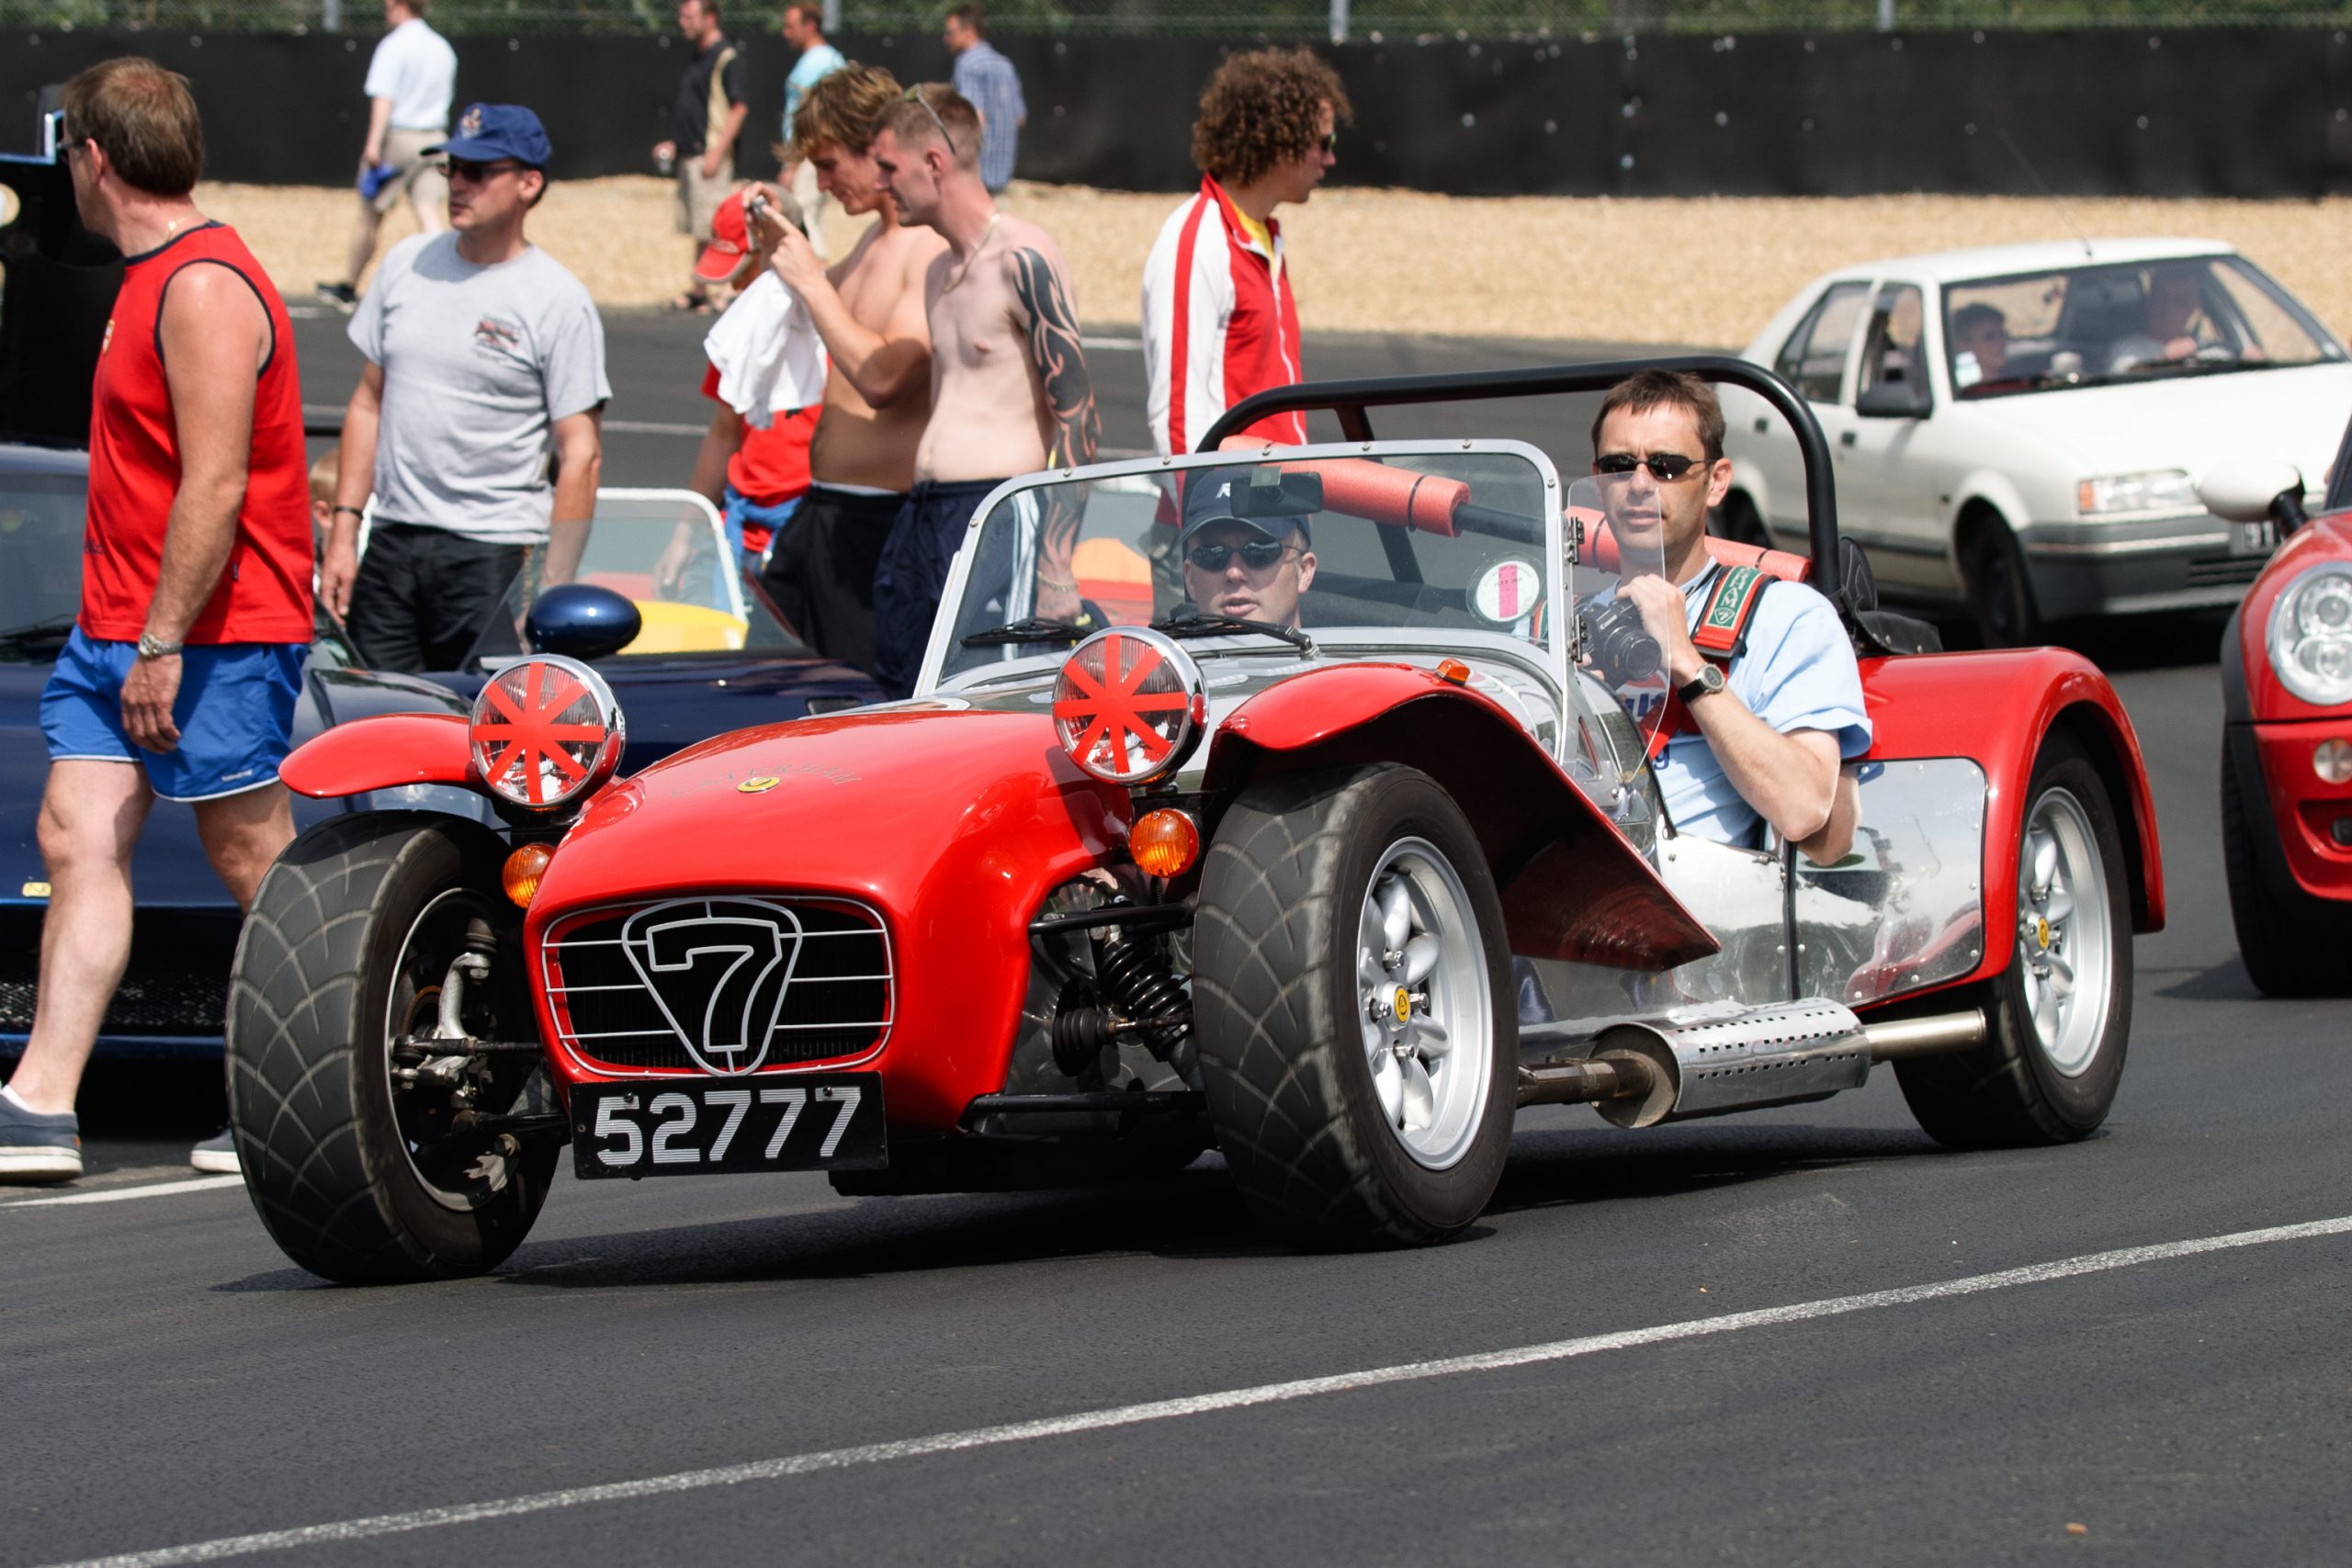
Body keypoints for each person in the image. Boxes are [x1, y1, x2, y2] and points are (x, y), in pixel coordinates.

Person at [1, 59, 313, 1183]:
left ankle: (303, 1096)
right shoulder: (145, 277)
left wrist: (161, 641)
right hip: (119, 630)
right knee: (75, 835)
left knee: (251, 855)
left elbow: (217, 486)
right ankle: (38, 1103)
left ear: (91, 158)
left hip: (210, 633)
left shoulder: (204, 285)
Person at [321, 103, 610, 674]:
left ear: (529, 184)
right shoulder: (405, 265)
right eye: (451, 169)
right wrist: (344, 532)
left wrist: (551, 587)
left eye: (477, 172)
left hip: (494, 556)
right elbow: (367, 403)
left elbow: (581, 453)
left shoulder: (557, 299)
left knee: (483, 723)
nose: (458, 184)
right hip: (392, 544)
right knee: (377, 716)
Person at [866, 84, 1091, 696]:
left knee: (988, 693)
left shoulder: (1023, 259)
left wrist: (1056, 564)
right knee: (905, 688)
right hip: (924, 511)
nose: (880, 183)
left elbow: (1078, 416)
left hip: (997, 512)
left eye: (889, 167)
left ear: (933, 161)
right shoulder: (939, 270)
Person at [1591, 369, 1868, 863]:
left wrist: (1689, 666)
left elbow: (1805, 810)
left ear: (1716, 482)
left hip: (1699, 899)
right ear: (1597, 481)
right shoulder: (1564, 626)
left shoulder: (1787, 617)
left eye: (1667, 466)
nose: (1639, 484)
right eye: (1619, 465)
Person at [747, 63, 946, 675]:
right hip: (824, 514)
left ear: (874, 148)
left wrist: (811, 277)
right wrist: (782, 234)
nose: (823, 182)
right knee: (768, 686)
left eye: (830, 165)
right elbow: (811, 306)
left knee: (861, 703)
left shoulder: (926, 248)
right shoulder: (871, 243)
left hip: (880, 524)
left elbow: (886, 377)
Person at [1143, 47, 1350, 459]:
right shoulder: (1199, 239)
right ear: (1281, 140)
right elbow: (1177, 417)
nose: (1330, 158)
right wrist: (1200, 504)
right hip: (1228, 500)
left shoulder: (1262, 237)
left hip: (1273, 494)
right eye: (1324, 142)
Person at [659, 185, 822, 587]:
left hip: (807, 530)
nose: (733, 288)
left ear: (775, 250)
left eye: (742, 271)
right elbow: (723, 432)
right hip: (741, 525)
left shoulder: (834, 322)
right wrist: (683, 535)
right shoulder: (740, 333)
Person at [318, 0, 457, 309]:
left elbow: (384, 99)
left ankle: (349, 286)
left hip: (401, 137)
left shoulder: (393, 46)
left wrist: (373, 145)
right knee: (428, 211)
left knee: (371, 214)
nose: (385, 9)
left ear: (401, 6)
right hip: (435, 138)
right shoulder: (442, 47)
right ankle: (447, 284)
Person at [651, 0, 749, 313]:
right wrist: (675, 144)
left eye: (689, 16)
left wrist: (716, 152)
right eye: (681, 15)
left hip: (709, 157)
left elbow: (738, 108)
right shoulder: (698, 56)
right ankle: (699, 289)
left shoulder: (725, 57)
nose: (683, 21)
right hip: (690, 154)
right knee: (701, 228)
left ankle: (725, 289)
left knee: (717, 226)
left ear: (710, 17)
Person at [1176, 468, 1316, 630]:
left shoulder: (1340, 645)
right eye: (1212, 555)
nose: (1234, 573)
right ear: (1190, 578)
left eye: (1260, 553)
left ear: (1304, 571)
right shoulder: (1161, 646)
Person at [779, 3, 845, 255]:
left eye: (791, 26)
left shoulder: (822, 62)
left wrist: (793, 165)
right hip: (806, 154)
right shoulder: (822, 60)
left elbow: (817, 119)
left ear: (810, 26)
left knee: (803, 218)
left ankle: (816, 272)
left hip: (809, 154)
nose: (785, 33)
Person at [944, 6, 1023, 194]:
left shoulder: (968, 64)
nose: (946, 38)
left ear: (969, 31)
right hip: (1003, 173)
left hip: (975, 175)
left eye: (950, 32)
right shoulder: (1005, 65)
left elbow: (973, 117)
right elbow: (1019, 118)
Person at [2107, 264, 2221, 373]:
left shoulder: (2210, 350)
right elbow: (2122, 379)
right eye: (2161, 297)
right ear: (2149, 300)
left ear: (2191, 308)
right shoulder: (2127, 350)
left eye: (2178, 301)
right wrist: (2165, 361)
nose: (2168, 307)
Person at [1950, 301, 2008, 389]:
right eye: (1989, 337)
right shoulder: (1961, 389)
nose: (2001, 342)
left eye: (2002, 335)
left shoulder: (2018, 379)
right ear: (1964, 346)